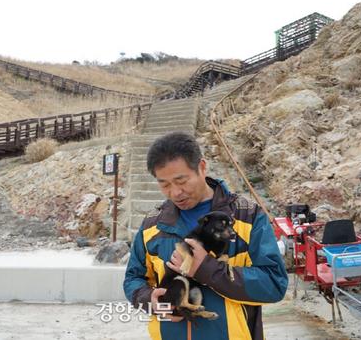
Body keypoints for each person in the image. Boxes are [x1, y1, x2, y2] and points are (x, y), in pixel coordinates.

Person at [123, 131, 288, 340]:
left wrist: (208, 269)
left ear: (202, 167)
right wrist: (148, 299)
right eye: (164, 184)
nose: (175, 193)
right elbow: (133, 278)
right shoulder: (153, 226)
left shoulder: (247, 216)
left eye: (181, 181)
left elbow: (274, 284)